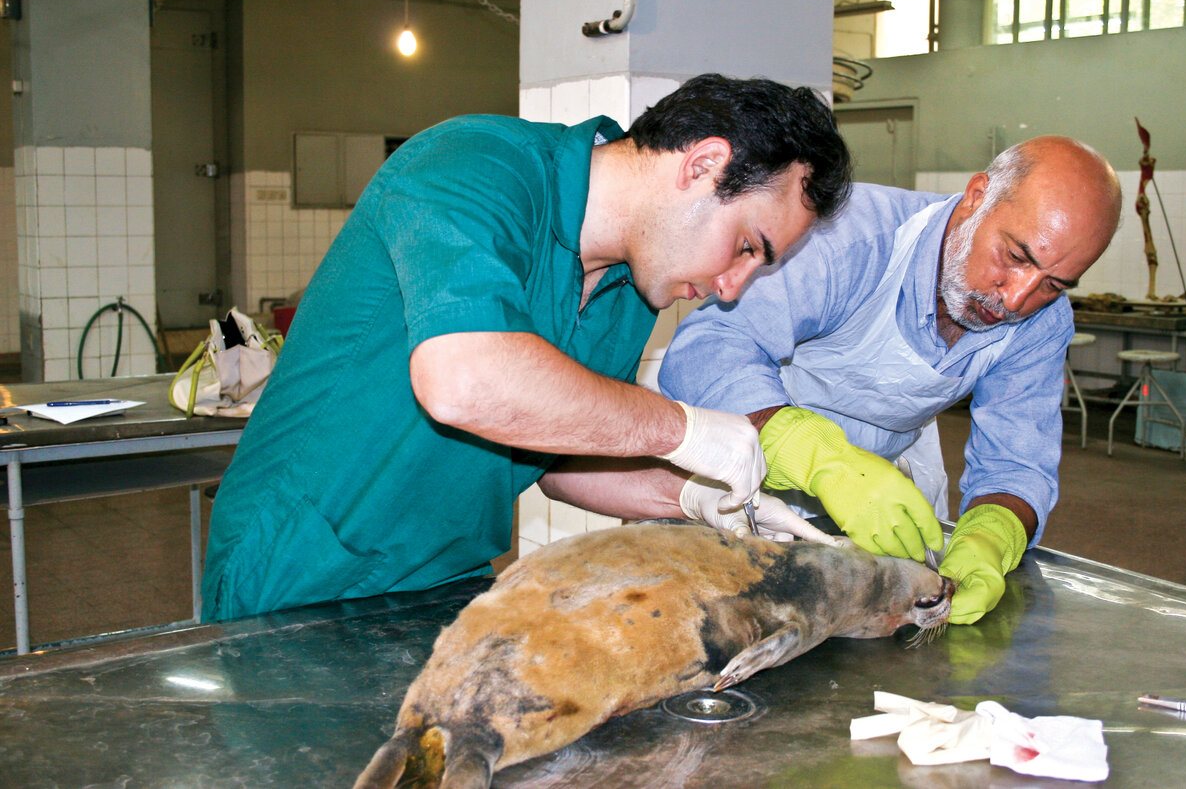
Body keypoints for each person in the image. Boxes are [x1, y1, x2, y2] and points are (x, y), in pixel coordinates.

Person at [201, 73, 852, 621]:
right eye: (745, 246)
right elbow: (463, 379)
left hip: (444, 587)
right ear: (703, 164)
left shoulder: (631, 291)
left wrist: (689, 494)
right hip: (297, 577)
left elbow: (559, 456)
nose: (731, 288)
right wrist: (682, 428)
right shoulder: (473, 165)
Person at [658, 135, 1122, 625]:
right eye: (1015, 257)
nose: (1017, 299)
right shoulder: (844, 235)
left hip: (876, 499)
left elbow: (1017, 462)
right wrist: (818, 459)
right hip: (731, 481)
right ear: (977, 196)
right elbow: (706, 349)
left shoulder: (1041, 322)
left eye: (1053, 284)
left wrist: (993, 533)